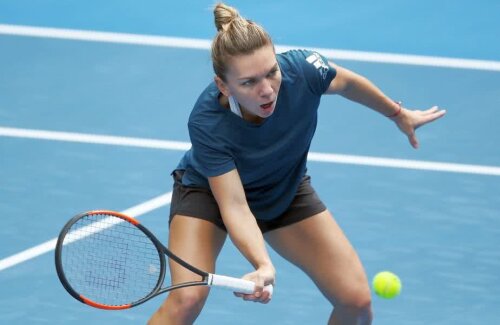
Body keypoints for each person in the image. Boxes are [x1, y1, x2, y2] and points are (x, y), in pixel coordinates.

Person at [148, 3, 446, 325]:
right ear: (224, 86)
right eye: (248, 83)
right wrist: (263, 264)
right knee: (187, 299)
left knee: (356, 302)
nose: (267, 90)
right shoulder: (208, 122)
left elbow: (347, 83)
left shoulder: (303, 69)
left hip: (282, 189)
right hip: (209, 195)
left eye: (271, 72)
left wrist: (398, 114)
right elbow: (233, 204)